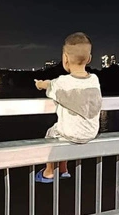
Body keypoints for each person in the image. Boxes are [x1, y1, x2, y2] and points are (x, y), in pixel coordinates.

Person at [34, 32, 102, 183]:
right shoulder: (94, 79)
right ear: (89, 59)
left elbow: (49, 85)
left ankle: (49, 172)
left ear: (65, 59)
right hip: (91, 131)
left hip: (71, 133)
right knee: (64, 132)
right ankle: (64, 169)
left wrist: (39, 84)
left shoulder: (62, 82)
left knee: (51, 134)